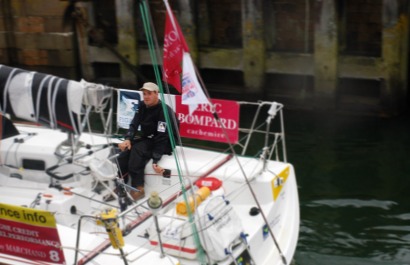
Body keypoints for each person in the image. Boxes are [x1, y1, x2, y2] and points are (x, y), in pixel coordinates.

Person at [116, 82, 179, 201]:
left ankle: (138, 188)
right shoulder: (142, 106)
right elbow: (134, 124)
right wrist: (128, 139)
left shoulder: (163, 112)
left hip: (166, 141)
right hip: (150, 138)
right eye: (144, 94)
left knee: (137, 150)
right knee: (123, 154)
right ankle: (121, 185)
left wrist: (156, 159)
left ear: (156, 94)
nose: (146, 97)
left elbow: (163, 137)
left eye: (149, 94)